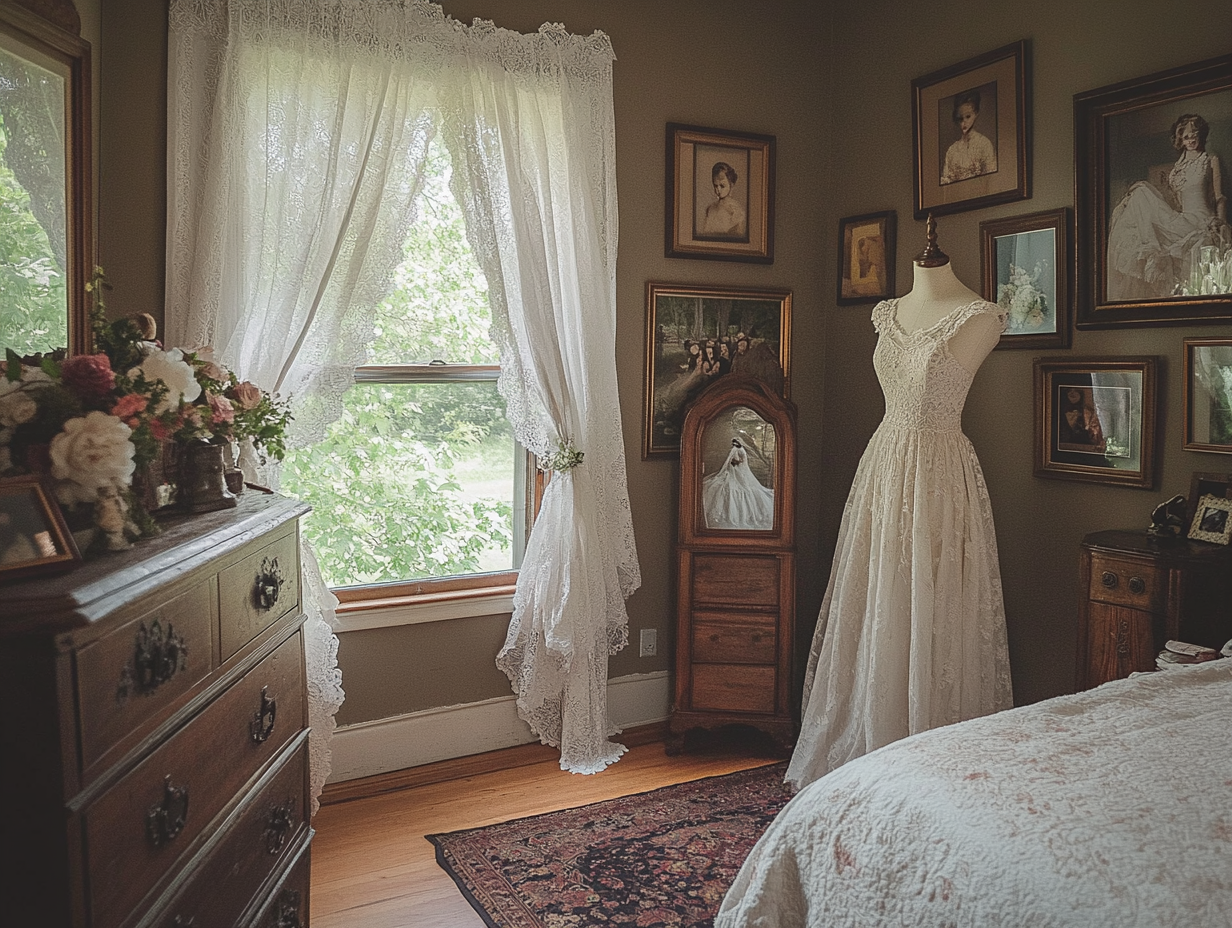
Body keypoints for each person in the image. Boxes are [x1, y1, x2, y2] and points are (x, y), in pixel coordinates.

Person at [786, 234, 1013, 790]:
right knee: (880, 594)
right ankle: (869, 730)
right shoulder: (887, 314)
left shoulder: (979, 317)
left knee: (931, 599)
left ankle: (923, 743)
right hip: (886, 463)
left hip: (939, 472)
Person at [1106, 113, 1230, 300]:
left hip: (1201, 221)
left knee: (1142, 193)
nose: (1191, 139)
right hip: (1183, 220)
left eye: (1194, 134)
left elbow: (1219, 197)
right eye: (1186, 136)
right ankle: (1151, 245)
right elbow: (1178, 203)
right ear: (1180, 138)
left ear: (1201, 135)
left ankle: (1152, 244)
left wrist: (1221, 224)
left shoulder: (1210, 159)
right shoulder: (1177, 168)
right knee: (1140, 194)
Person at [702, 438, 774, 530]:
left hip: (738, 470)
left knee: (734, 485)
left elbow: (737, 461)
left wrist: (733, 462)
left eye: (733, 443)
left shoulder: (736, 450)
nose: (732, 445)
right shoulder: (742, 449)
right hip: (742, 470)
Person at [940, 89, 997, 185]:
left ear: (976, 114)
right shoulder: (952, 150)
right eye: (960, 118)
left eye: (968, 116)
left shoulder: (984, 144)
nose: (963, 123)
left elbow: (991, 179)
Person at [701, 161, 747, 238]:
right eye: (715, 185)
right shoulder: (710, 208)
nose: (718, 190)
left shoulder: (736, 211)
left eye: (722, 186)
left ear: (731, 185)